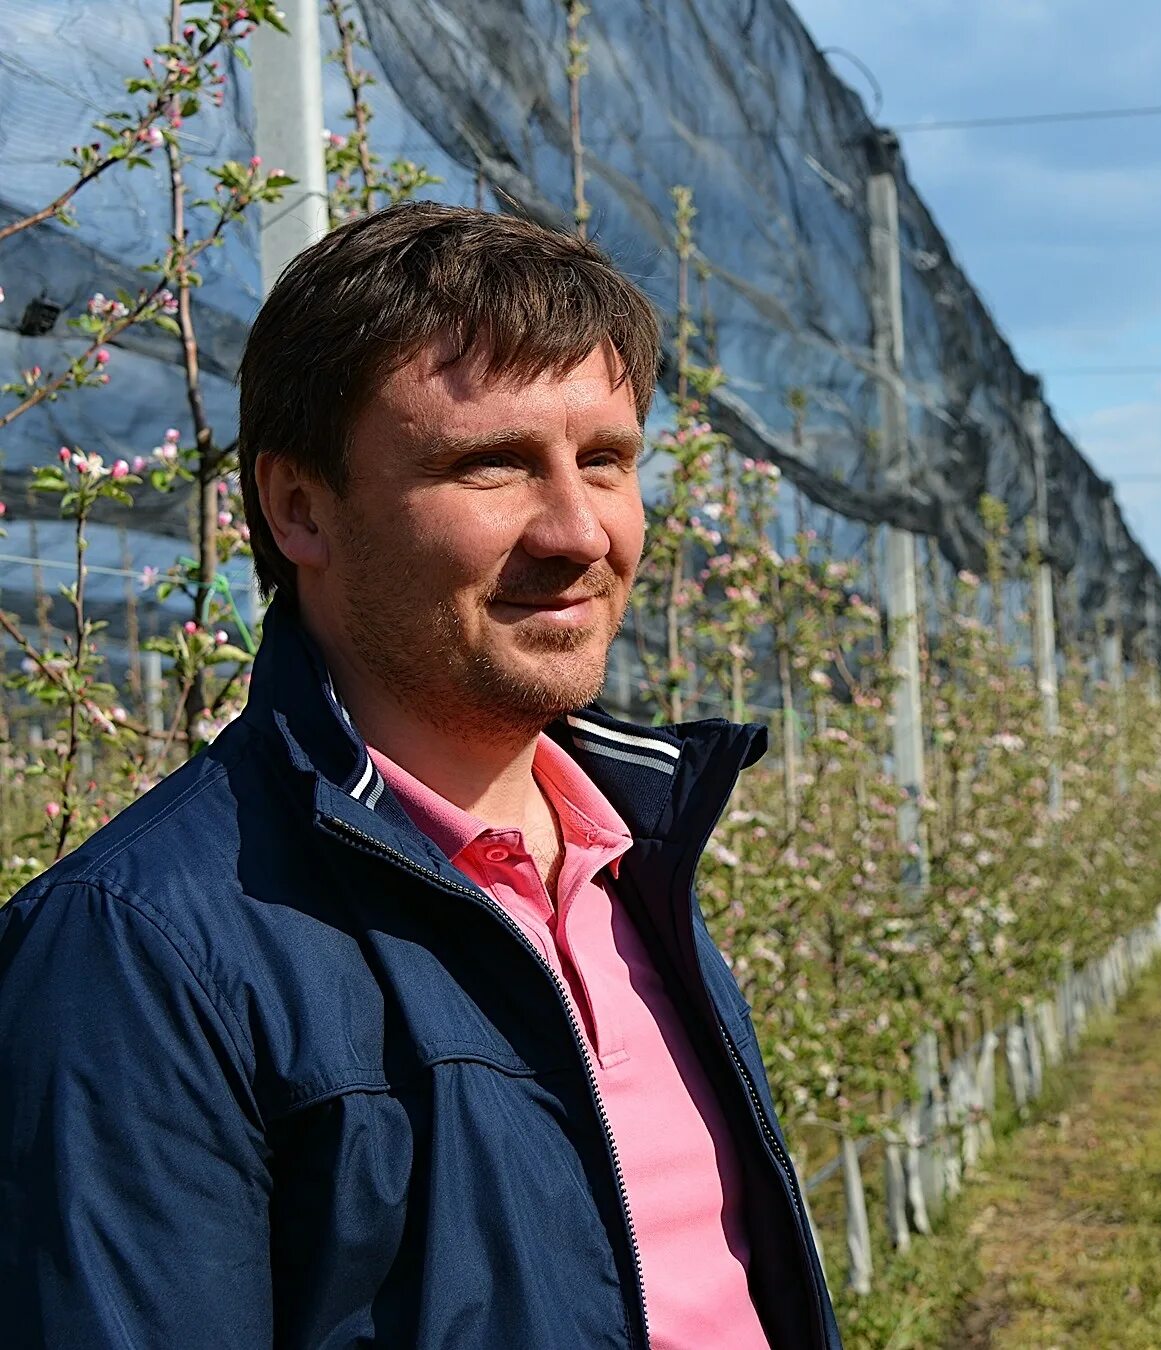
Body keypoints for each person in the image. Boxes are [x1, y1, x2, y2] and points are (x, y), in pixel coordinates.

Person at [0, 203, 838, 1349]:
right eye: (489, 465)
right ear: (300, 507)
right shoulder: (141, 953)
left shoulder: (630, 863)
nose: (578, 532)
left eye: (605, 460)